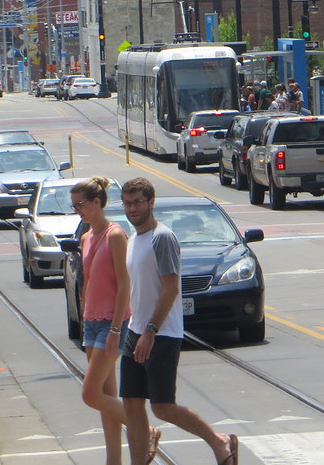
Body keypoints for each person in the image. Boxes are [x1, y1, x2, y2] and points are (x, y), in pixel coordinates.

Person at [119, 177, 238, 465]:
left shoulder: (162, 237)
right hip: (135, 331)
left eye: (137, 202)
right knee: (132, 404)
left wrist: (150, 330)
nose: (132, 209)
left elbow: (171, 287)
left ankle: (218, 441)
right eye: (127, 203)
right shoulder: (133, 239)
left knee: (162, 407)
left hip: (160, 333)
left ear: (151, 203)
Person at [71, 176, 161, 465]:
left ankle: (145, 430)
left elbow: (124, 284)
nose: (78, 211)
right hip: (91, 321)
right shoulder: (86, 237)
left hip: (113, 323)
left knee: (89, 393)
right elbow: (88, 281)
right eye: (74, 207)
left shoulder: (115, 234)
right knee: (105, 399)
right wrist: (85, 315)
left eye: (81, 205)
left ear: (97, 203)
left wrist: (114, 329)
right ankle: (114, 461)